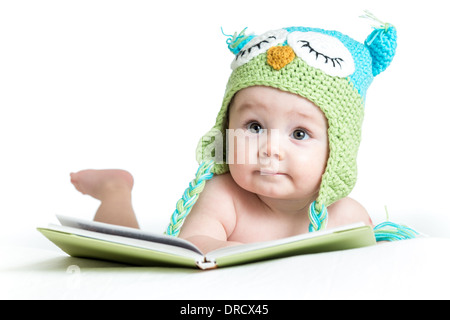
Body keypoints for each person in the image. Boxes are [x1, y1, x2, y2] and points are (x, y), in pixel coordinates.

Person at [70, 15, 417, 254]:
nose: (270, 149)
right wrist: (242, 252)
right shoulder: (224, 196)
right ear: (226, 130)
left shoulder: (346, 216)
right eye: (254, 127)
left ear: (337, 150)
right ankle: (116, 191)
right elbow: (195, 244)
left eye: (299, 133)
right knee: (122, 248)